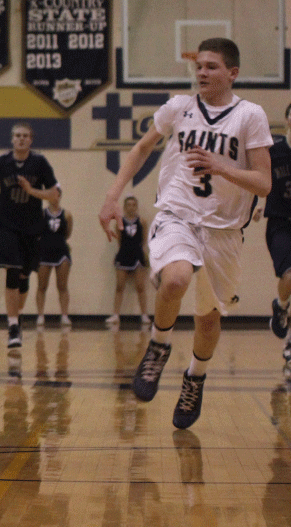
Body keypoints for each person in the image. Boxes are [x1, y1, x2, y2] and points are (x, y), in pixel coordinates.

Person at [98, 37, 272, 430]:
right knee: (175, 278)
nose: (202, 73)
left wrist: (221, 166)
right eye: (199, 66)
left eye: (212, 66)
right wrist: (113, 195)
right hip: (177, 214)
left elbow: (263, 183)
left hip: (225, 231)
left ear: (232, 73)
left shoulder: (250, 115)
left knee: (208, 320)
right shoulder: (180, 107)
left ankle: (195, 378)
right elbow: (142, 148)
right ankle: (158, 348)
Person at [0, 122, 61, 349]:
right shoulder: (2, 162)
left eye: (25, 136)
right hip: (6, 225)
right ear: (12, 139)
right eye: (17, 135)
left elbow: (54, 195)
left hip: (33, 227)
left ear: (31, 140)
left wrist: (31, 191)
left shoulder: (39, 162)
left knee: (24, 276)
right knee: (12, 271)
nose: (21, 139)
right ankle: (13, 326)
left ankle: (18, 314)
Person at [258, 101, 291, 367]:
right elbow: (259, 180)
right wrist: (256, 204)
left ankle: (289, 342)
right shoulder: (275, 151)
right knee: (289, 274)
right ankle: (280, 305)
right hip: (280, 223)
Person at [107, 195, 151, 328]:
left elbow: (143, 239)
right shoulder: (119, 222)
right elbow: (119, 240)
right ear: (124, 207)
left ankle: (144, 315)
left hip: (137, 255)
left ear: (136, 206)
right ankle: (115, 315)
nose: (131, 207)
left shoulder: (142, 221)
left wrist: (143, 254)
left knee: (140, 286)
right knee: (119, 286)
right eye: (128, 205)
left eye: (133, 205)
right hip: (124, 255)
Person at [35, 190, 73, 327]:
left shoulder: (67, 214)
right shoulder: (42, 214)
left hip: (61, 252)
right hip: (44, 252)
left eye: (56, 195)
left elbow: (67, 234)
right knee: (42, 286)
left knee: (62, 285)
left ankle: (64, 315)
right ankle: (40, 316)